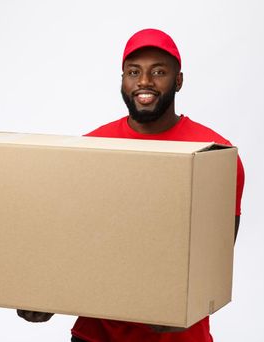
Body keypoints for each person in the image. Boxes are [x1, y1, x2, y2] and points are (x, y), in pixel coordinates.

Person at [17, 28, 245, 342]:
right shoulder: (92, 147)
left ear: (178, 81)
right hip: (96, 335)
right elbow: (67, 237)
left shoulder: (214, 154)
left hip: (177, 336)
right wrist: (43, 295)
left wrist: (188, 308)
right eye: (133, 72)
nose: (144, 82)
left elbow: (216, 258)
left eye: (159, 72)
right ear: (123, 80)